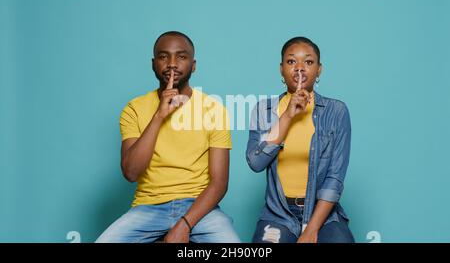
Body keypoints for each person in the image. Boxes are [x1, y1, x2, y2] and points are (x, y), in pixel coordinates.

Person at [96, 31, 240, 243]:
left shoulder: (214, 110)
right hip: (148, 208)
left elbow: (219, 183)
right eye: (164, 57)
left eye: (181, 57)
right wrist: (158, 116)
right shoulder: (134, 109)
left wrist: (185, 224)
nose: (172, 64)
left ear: (193, 65)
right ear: (154, 64)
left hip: (200, 210)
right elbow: (131, 172)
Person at [246, 36, 355, 243]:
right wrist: (288, 115)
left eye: (308, 62)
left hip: (323, 214)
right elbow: (256, 162)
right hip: (278, 214)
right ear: (281, 69)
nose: (299, 68)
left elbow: (335, 179)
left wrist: (311, 229)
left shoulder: (336, 111)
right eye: (291, 61)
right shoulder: (264, 110)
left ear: (319, 69)